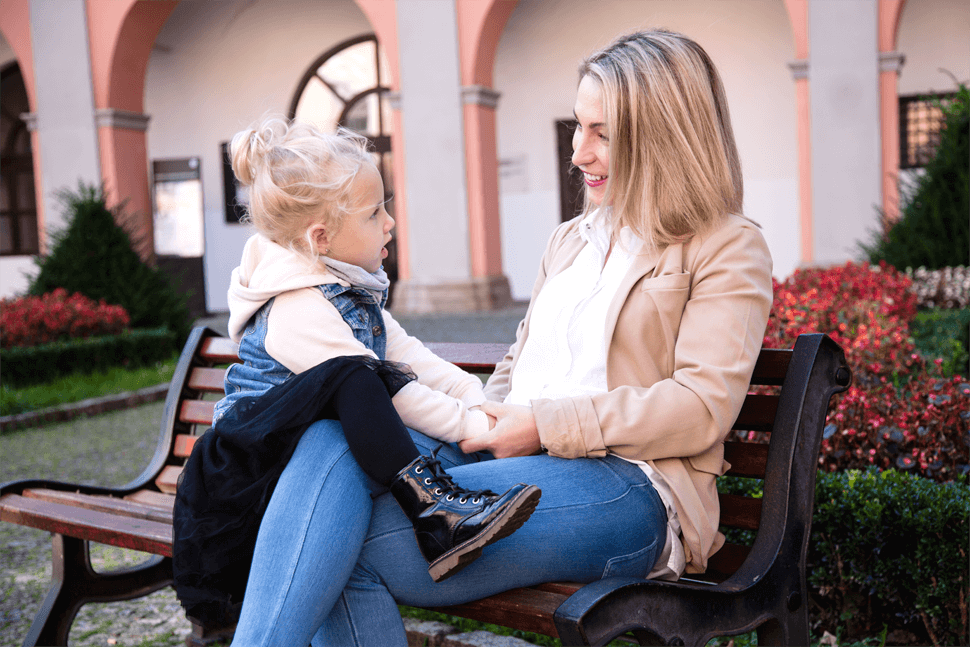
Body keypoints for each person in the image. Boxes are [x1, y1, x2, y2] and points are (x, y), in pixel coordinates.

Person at [226, 28, 774, 646]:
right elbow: (518, 360)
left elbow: (701, 408)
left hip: (631, 486)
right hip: (513, 457)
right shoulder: (570, 241)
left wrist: (543, 425)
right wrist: (487, 419)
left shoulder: (727, 246)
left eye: (603, 134)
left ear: (662, 137)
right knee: (332, 441)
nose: (578, 152)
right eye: (578, 126)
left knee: (341, 542)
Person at [172, 118, 543, 622]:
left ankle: (438, 510)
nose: (390, 222)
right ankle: (436, 511)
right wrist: (477, 430)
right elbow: (393, 395)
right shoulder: (297, 309)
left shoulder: (345, 290)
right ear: (321, 237)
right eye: (375, 213)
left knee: (362, 377)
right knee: (357, 377)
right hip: (254, 476)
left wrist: (483, 403)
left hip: (312, 463)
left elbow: (415, 361)